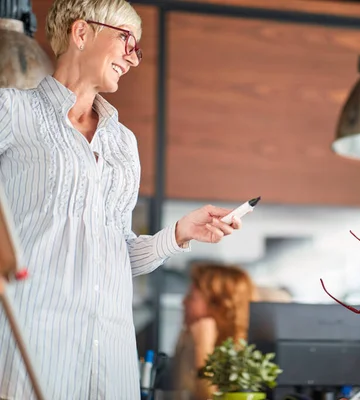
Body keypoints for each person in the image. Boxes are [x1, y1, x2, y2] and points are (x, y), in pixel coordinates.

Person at [0, 1, 244, 399]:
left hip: (109, 351)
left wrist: (181, 233)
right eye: (126, 40)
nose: (133, 58)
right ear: (81, 33)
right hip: (33, 340)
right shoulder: (12, 110)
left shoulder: (123, 142)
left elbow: (119, 254)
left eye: (137, 48)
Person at [170, 263, 256, 400]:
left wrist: (203, 350)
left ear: (218, 305)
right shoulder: (186, 342)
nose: (183, 302)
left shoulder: (242, 358)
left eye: (192, 297)